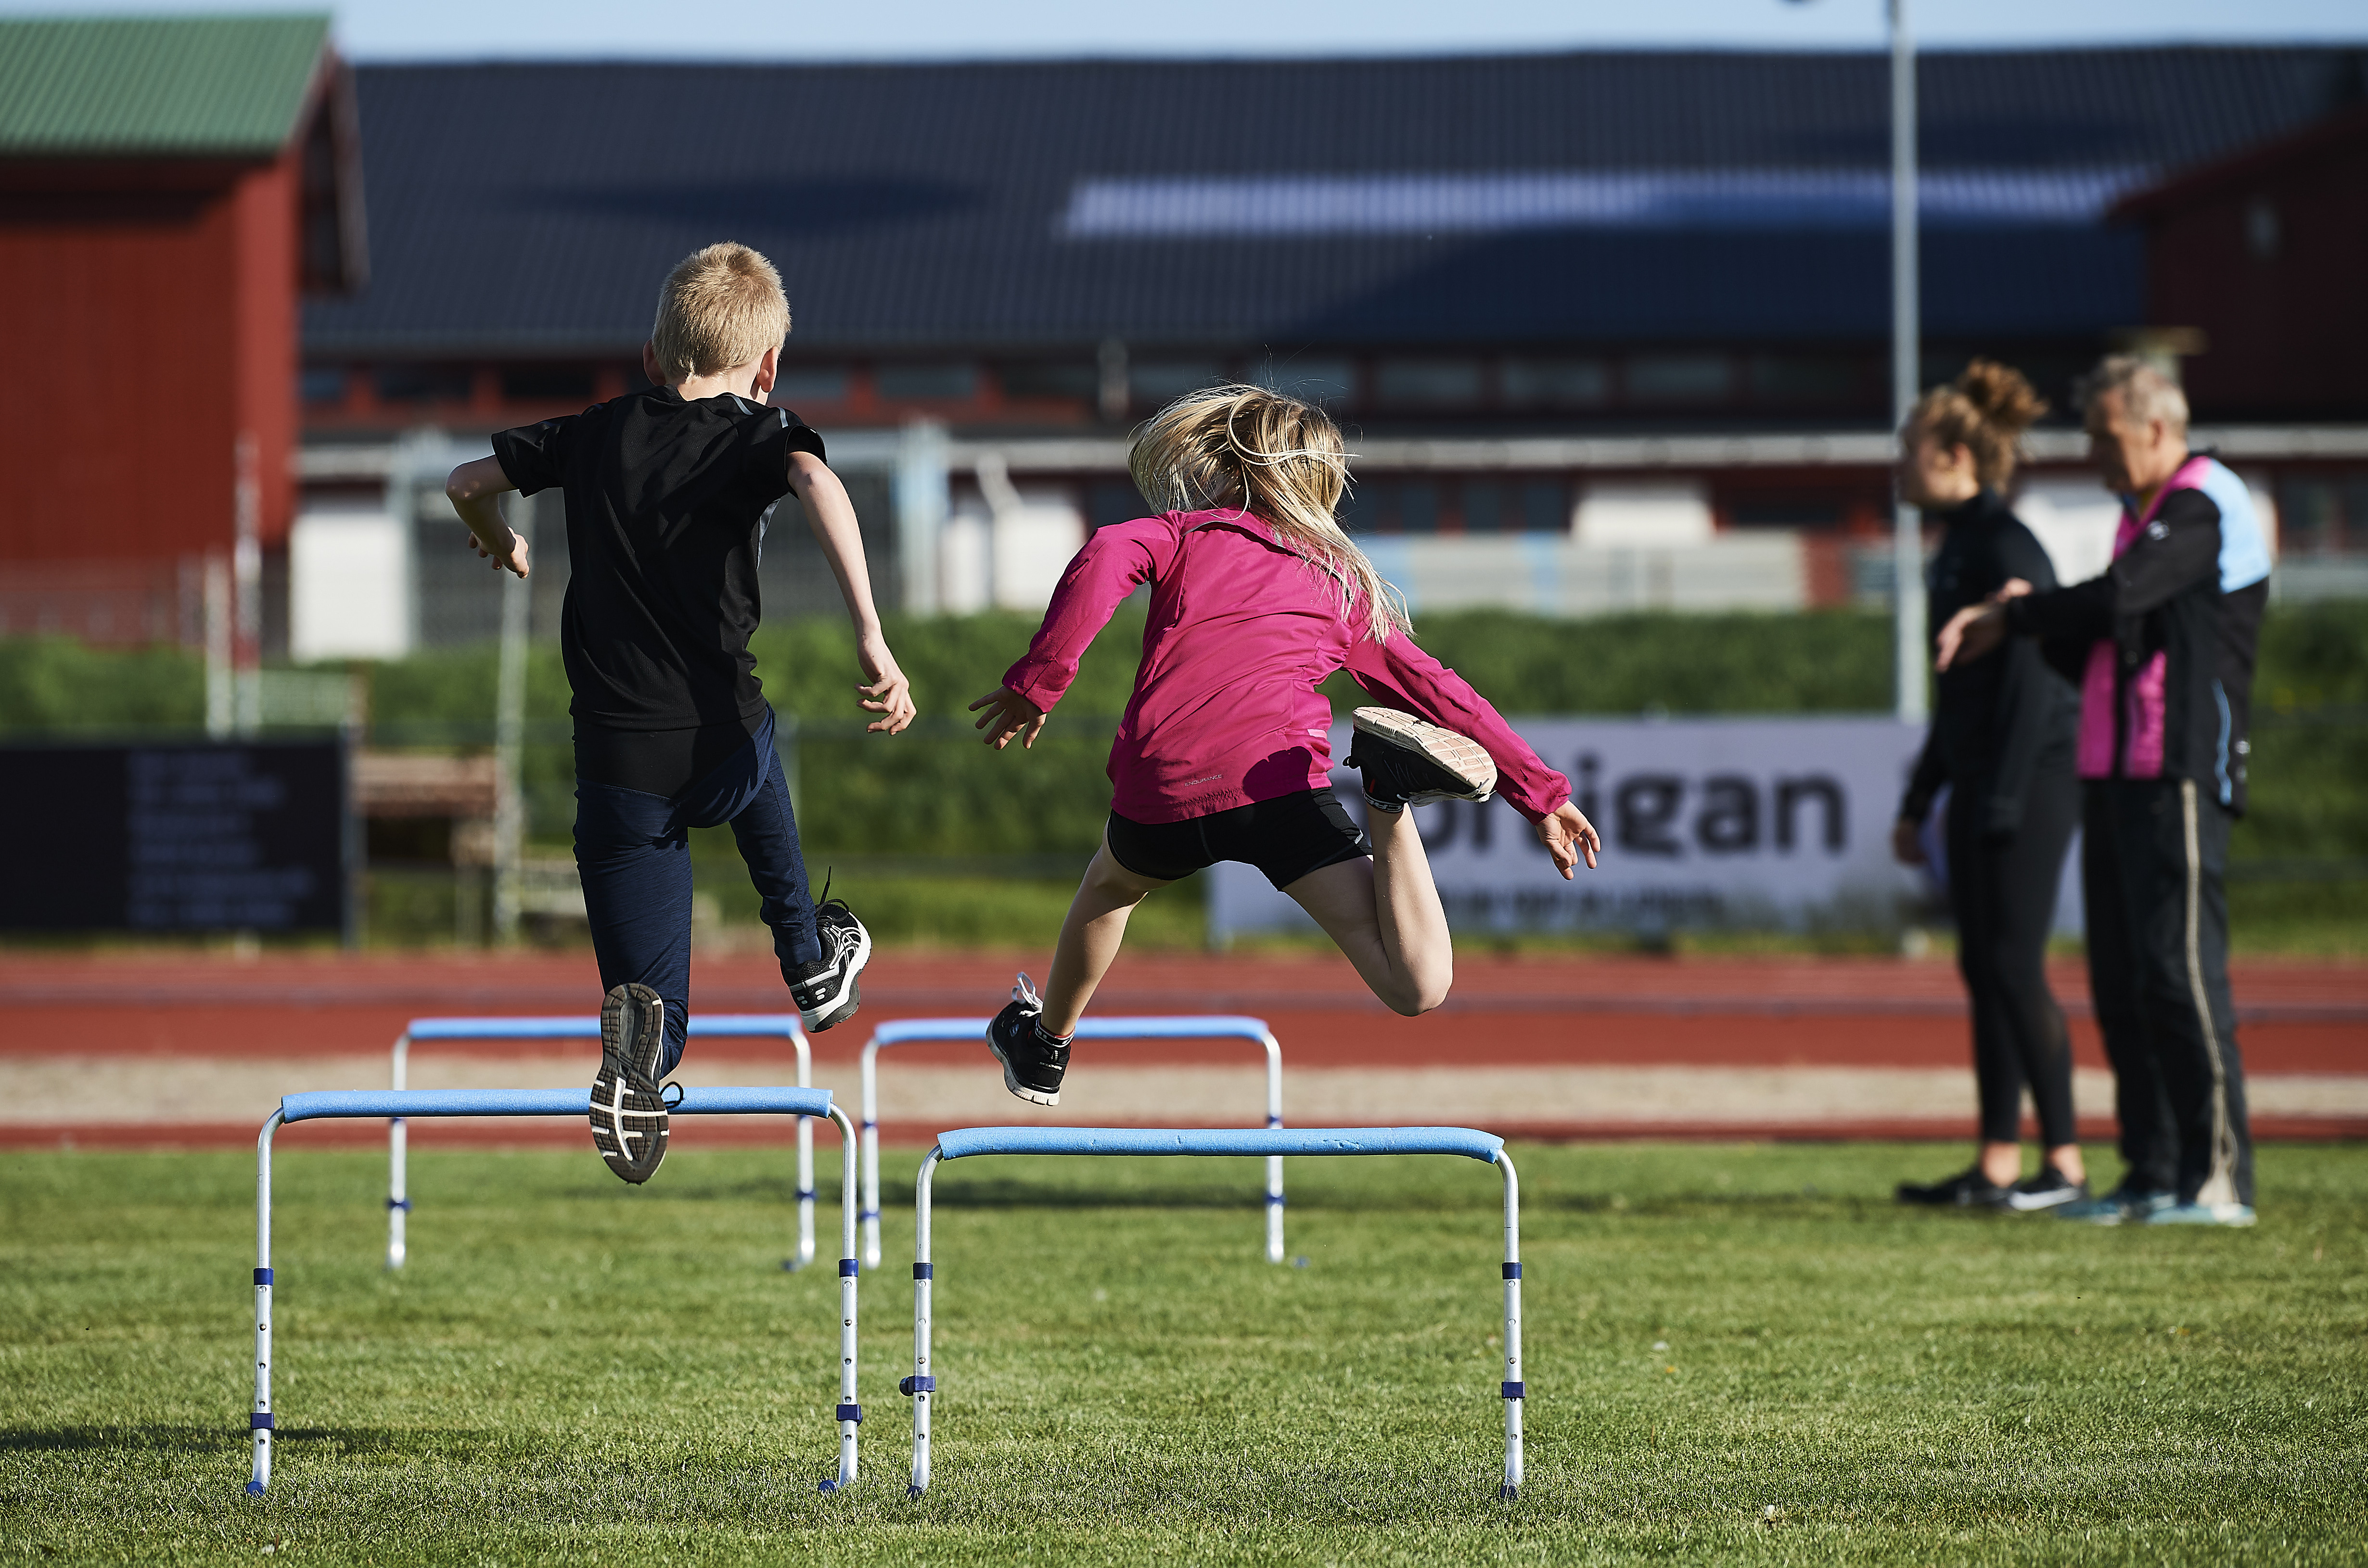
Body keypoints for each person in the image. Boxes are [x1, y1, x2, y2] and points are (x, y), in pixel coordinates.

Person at [964, 385, 1600, 1104]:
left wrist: (1037, 683)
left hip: (1163, 787)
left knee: (1110, 888)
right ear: (1325, 484)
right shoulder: (1342, 587)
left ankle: (1045, 1047)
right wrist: (1540, 794)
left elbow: (1110, 547)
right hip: (1279, 790)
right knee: (1415, 985)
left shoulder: (1183, 534)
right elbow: (1439, 692)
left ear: (1233, 468)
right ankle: (1387, 798)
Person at [444, 242, 915, 1184]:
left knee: (651, 997)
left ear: (652, 357)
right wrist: (871, 630)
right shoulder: (760, 432)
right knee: (757, 743)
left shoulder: (592, 430)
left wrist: (502, 543)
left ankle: (640, 1065)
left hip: (614, 760)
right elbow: (819, 482)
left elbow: (463, 481)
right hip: (716, 738)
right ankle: (809, 958)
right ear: (768, 367)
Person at [1938, 356, 2271, 1227]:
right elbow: (2097, 630)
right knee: (2122, 981)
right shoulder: (2141, 515)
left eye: (2104, 436)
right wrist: (2033, 618)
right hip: (2114, 768)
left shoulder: (2203, 500)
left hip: (2180, 769)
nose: (2093, 454)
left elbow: (2119, 598)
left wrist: (2017, 612)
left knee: (2181, 973)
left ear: (2157, 429)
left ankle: (2218, 1178)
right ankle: (2152, 1172)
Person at [1889, 362, 2086, 1213]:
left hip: (2029, 783)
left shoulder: (2006, 545)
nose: (1898, 463)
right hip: (1980, 780)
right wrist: (1920, 794)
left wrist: (2000, 797)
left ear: (1957, 453)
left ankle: (2067, 1164)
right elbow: (1961, 699)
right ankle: (1997, 1162)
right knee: (1984, 965)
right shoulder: (1958, 547)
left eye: (1910, 448)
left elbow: (2035, 690)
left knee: (2013, 965)